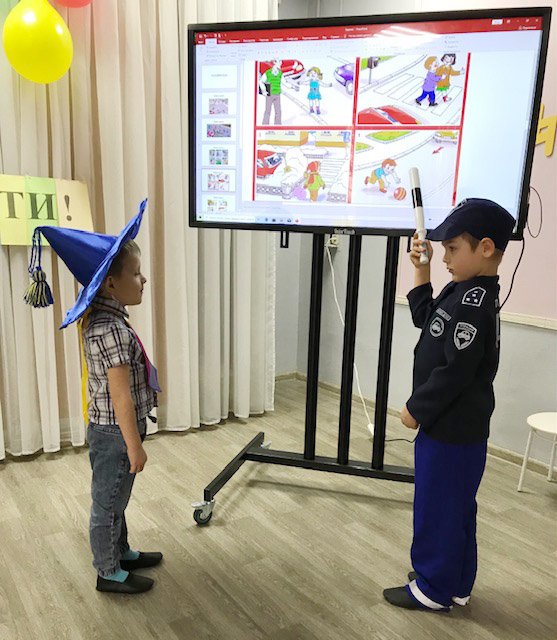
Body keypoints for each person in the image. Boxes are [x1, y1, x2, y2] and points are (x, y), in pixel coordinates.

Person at [383, 198, 515, 612]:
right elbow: (425, 317)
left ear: (486, 248)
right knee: (456, 508)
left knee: (437, 508)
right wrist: (420, 270)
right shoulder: (464, 292)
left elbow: (456, 371)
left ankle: (433, 589)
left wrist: (416, 408)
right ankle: (457, 582)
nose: (444, 258)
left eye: (453, 249)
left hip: (450, 431)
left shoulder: (475, 305)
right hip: (457, 431)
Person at [24, 200, 163, 595]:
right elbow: (120, 398)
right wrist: (134, 445)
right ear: (110, 284)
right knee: (107, 503)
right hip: (116, 433)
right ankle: (108, 571)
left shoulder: (104, 320)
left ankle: (121, 552)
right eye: (135, 273)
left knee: (116, 497)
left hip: (111, 431)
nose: (143, 280)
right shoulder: (111, 329)